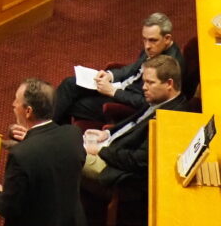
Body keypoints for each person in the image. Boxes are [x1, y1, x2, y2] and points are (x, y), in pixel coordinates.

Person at [80, 55, 187, 226]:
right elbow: (134, 121)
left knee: (65, 154)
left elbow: (138, 161)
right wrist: (108, 133)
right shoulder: (159, 99)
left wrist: (100, 150)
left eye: (150, 82)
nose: (144, 87)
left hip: (116, 168)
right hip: (112, 146)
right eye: (144, 82)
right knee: (66, 141)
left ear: (169, 84)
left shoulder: (172, 120)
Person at [53, 12, 184, 126]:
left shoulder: (171, 66)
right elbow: (134, 68)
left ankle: (51, 133)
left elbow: (149, 102)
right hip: (119, 86)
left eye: (152, 40)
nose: (147, 46)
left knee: (71, 103)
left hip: (124, 103)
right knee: (69, 84)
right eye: (144, 40)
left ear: (167, 39)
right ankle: (54, 131)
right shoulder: (155, 48)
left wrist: (113, 91)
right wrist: (110, 76)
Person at [0, 78, 86, 226]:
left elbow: (8, 208)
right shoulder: (73, 134)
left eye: (17, 100)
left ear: (28, 111)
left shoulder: (20, 155)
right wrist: (32, 137)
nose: (13, 104)